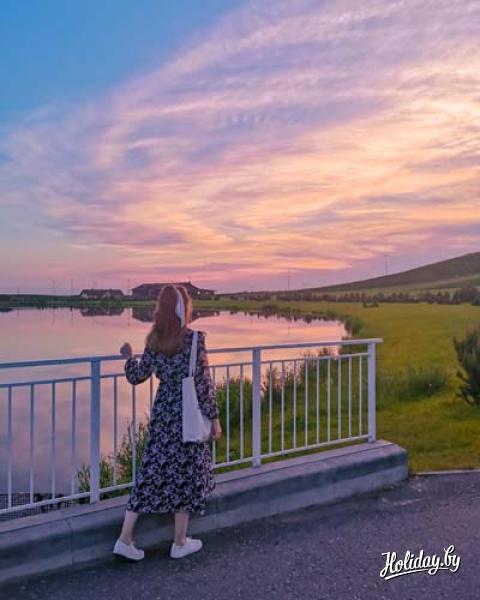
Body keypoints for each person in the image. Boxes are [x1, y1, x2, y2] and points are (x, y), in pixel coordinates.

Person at [112, 283, 222, 560]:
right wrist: (214, 418)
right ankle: (180, 541)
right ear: (184, 308)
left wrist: (128, 358)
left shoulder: (154, 340)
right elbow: (203, 383)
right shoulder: (194, 340)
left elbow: (137, 376)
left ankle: (125, 538)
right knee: (186, 472)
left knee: (151, 470)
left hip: (163, 413)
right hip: (186, 414)